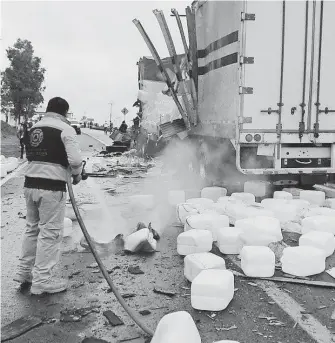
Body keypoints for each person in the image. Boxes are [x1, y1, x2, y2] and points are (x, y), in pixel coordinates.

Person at [14, 97, 83, 295]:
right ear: (64, 112)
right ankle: (42, 281)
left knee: (31, 229)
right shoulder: (65, 129)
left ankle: (24, 272)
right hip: (52, 189)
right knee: (50, 233)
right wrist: (77, 173)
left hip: (30, 185)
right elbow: (76, 160)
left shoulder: (34, 127)